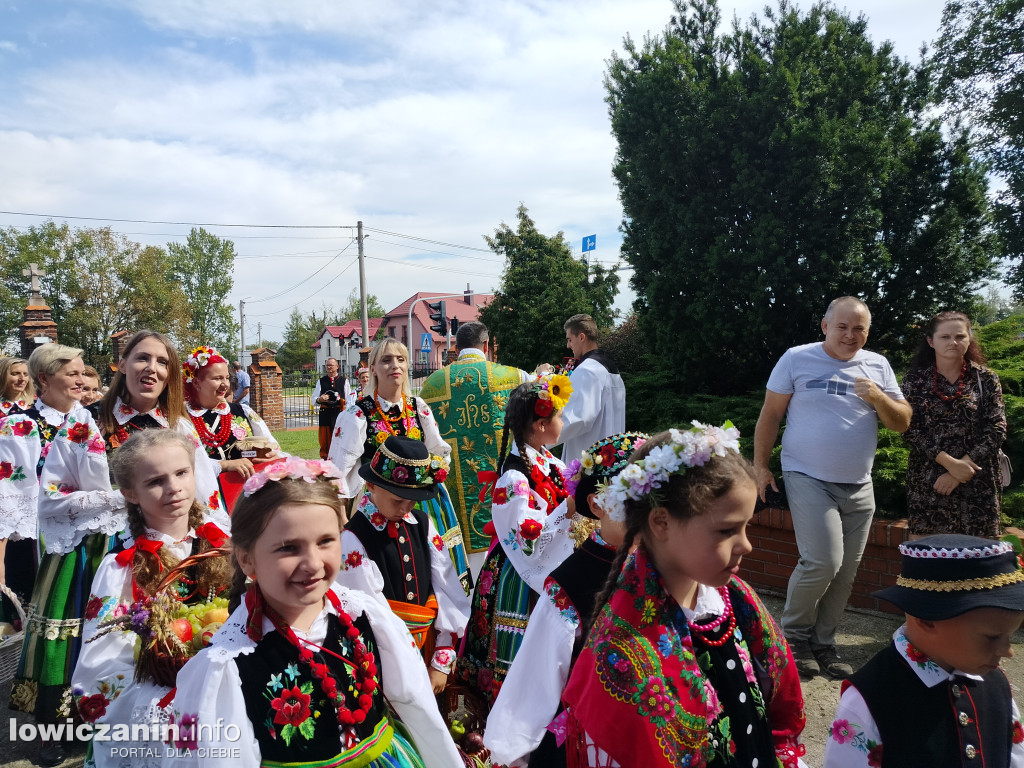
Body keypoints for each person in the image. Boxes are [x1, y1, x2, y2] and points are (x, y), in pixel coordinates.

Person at [166, 456, 463, 768]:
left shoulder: (365, 616)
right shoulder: (228, 663)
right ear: (247, 560)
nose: (313, 564)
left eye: (325, 541)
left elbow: (418, 706)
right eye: (288, 548)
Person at [561, 424, 807, 768]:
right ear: (661, 523)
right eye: (727, 531)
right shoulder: (622, 651)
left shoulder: (736, 600)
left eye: (746, 526)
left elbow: (780, 703)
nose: (747, 545)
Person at [753, 296, 912, 679]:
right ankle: (792, 637)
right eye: (842, 326)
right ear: (825, 325)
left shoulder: (878, 365)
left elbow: (902, 421)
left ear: (868, 332)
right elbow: (771, 414)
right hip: (807, 475)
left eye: (859, 328)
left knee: (845, 573)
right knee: (823, 560)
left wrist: (877, 396)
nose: (850, 334)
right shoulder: (796, 358)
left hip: (859, 484)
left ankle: (824, 643)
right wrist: (760, 467)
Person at [484, 431, 648, 768]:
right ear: (598, 504)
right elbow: (535, 686)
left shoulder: (668, 566)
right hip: (594, 743)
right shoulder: (572, 584)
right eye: (631, 500)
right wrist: (513, 752)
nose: (648, 513)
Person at [71, 430, 232, 768]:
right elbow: (101, 662)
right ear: (130, 493)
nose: (173, 487)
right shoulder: (121, 568)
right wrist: (163, 693)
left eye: (181, 473)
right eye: (156, 481)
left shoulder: (222, 546)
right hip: (160, 696)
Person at [4, 344, 124, 766]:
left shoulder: (83, 418)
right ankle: (54, 728)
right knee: (60, 623)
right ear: (43, 379)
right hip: (53, 538)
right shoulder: (21, 423)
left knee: (98, 620)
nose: (79, 379)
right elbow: (14, 494)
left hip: (98, 535)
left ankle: (93, 712)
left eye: (80, 373)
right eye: (69, 373)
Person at [825, 534, 1024, 767]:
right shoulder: (872, 699)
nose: (1007, 651)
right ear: (927, 619)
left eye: (1009, 635)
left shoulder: (995, 685)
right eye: (992, 637)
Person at [452, 375, 577, 713]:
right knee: (512, 654)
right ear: (539, 425)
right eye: (558, 417)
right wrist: (568, 510)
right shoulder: (515, 477)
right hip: (517, 577)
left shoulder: (550, 463)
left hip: (546, 571)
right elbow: (526, 541)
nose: (562, 422)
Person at [328, 338, 470, 587]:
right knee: (385, 568)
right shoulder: (358, 414)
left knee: (432, 570)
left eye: (401, 359)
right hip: (378, 500)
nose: (395, 365)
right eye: (386, 360)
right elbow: (336, 472)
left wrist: (434, 470)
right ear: (372, 368)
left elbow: (439, 451)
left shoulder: (419, 407)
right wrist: (340, 516)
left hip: (423, 502)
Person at [340, 436, 470, 694]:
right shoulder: (353, 539)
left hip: (428, 651)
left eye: (412, 500)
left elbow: (446, 588)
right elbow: (366, 612)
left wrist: (441, 658)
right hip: (383, 659)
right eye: (398, 500)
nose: (406, 507)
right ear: (371, 486)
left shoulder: (423, 525)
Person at [419, 321, 530, 572]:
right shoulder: (516, 376)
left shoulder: (432, 384)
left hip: (454, 492)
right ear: (487, 345)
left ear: (456, 348)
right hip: (505, 481)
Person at [92, 331, 229, 529]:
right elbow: (56, 492)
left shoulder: (178, 426)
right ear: (122, 364)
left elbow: (204, 490)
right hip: (105, 538)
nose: (151, 368)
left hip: (170, 537)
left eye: (162, 362)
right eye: (142, 358)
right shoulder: (87, 422)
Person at [900, 311, 1006, 538]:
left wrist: (961, 469)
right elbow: (909, 428)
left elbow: (997, 427)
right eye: (945, 337)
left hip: (978, 479)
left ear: (969, 338)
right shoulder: (915, 381)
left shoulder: (986, 378)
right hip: (929, 479)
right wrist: (948, 462)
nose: (953, 342)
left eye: (960, 336)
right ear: (931, 341)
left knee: (981, 559)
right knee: (928, 559)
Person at [183, 345, 281, 512]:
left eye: (227, 378)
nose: (225, 385)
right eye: (217, 378)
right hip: (204, 502)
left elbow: (274, 448)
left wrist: (272, 456)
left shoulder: (242, 412)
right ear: (197, 382)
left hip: (246, 498)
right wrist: (227, 464)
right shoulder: (183, 419)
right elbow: (183, 465)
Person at [556, 314, 626, 466]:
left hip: (588, 461)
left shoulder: (587, 370)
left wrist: (540, 436)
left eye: (569, 339)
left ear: (582, 337)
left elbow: (579, 419)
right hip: (611, 458)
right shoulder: (611, 369)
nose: (568, 346)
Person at [313, 357, 349, 460]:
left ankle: (339, 457)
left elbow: (348, 399)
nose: (329, 367)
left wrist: (342, 402)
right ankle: (325, 457)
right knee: (325, 437)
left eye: (331, 365)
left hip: (339, 413)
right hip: (325, 413)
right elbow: (313, 399)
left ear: (337, 367)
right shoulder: (321, 381)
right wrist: (320, 399)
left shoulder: (344, 381)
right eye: (327, 365)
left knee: (339, 436)